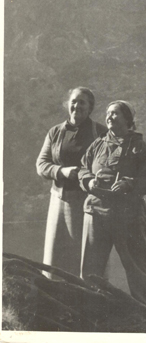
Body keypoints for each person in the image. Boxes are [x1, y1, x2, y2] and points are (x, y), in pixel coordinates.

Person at [79, 100, 146, 309]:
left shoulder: (138, 147)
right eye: (107, 113)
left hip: (128, 217)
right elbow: (82, 168)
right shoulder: (97, 144)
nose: (109, 117)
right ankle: (92, 313)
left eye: (115, 113)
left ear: (127, 119)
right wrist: (88, 180)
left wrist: (129, 184)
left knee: (137, 268)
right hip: (96, 213)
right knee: (91, 270)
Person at [36, 87, 106, 277]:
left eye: (82, 102)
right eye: (73, 101)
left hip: (88, 202)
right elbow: (41, 165)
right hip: (60, 201)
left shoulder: (100, 132)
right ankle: (55, 299)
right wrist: (62, 171)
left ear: (90, 107)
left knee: (87, 258)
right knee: (56, 257)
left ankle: (88, 301)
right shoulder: (55, 132)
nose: (76, 106)